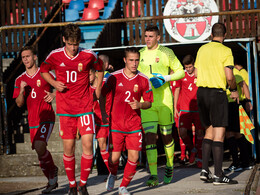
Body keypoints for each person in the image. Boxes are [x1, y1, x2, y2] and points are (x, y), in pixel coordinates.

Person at [40, 24, 104, 195]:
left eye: (76, 43)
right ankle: (72, 186)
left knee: (88, 144)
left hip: (84, 108)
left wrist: (97, 90)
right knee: (68, 149)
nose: (74, 47)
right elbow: (43, 70)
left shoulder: (88, 55)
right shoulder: (55, 55)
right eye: (70, 44)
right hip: (66, 110)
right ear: (64, 41)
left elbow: (100, 68)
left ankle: (83, 185)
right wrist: (54, 84)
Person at [101, 47, 153, 195]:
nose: (134, 63)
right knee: (114, 158)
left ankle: (123, 186)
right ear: (125, 60)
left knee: (134, 158)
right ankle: (112, 173)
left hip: (134, 125)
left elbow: (149, 103)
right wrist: (104, 112)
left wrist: (140, 105)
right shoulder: (113, 77)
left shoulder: (144, 80)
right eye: (131, 60)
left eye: (137, 60)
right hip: (116, 124)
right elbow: (102, 94)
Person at [138, 25, 185, 186]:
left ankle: (170, 166)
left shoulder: (167, 52)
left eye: (151, 36)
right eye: (146, 36)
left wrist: (165, 78)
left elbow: (181, 71)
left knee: (166, 137)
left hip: (165, 101)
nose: (148, 39)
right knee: (150, 138)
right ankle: (153, 175)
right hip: (147, 103)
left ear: (158, 37)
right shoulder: (140, 54)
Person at [195, 22, 239, 185]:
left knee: (209, 132)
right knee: (219, 135)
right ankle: (219, 175)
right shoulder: (226, 50)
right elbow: (229, 76)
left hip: (201, 93)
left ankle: (205, 170)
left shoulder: (202, 49)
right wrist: (233, 89)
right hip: (217, 93)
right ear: (225, 36)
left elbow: (197, 72)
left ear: (211, 35)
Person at [13, 46, 58, 194]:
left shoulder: (45, 73)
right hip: (32, 121)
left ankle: (53, 172)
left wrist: (54, 94)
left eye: (28, 56)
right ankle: (51, 179)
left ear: (35, 57)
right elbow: (19, 103)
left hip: (46, 117)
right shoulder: (20, 79)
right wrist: (21, 91)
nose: (25, 59)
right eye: (23, 57)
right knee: (40, 153)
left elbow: (62, 86)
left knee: (39, 145)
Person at [174, 55, 204, 168]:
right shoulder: (182, 74)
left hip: (198, 108)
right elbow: (177, 89)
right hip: (185, 108)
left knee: (200, 133)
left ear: (194, 64)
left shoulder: (200, 73)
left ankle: (200, 158)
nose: (188, 69)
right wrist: (175, 107)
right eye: (186, 67)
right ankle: (193, 149)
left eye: (190, 67)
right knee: (182, 132)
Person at [224, 67, 253, 172]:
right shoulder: (221, 71)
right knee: (230, 134)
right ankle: (240, 163)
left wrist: (248, 100)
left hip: (234, 104)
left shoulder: (234, 72)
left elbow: (243, 85)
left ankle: (241, 162)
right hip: (226, 105)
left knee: (236, 133)